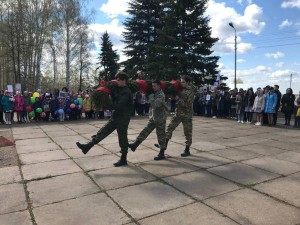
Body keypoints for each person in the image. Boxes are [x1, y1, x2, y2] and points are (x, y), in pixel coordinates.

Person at [76, 71, 133, 167]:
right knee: (103, 131)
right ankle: (88, 146)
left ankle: (124, 158)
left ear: (124, 80)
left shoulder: (126, 92)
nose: (116, 81)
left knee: (122, 137)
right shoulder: (118, 89)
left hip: (123, 118)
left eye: (118, 80)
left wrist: (106, 103)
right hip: (116, 116)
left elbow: (118, 106)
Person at [128, 80, 168, 160]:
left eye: (154, 86)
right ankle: (135, 145)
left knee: (161, 136)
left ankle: (162, 153)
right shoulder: (155, 93)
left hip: (160, 119)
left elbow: (155, 105)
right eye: (152, 86)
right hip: (153, 118)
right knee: (145, 131)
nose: (153, 87)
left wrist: (150, 97)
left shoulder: (161, 95)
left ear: (159, 86)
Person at [156, 75, 196, 157]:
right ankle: (162, 149)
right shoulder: (180, 89)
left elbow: (187, 104)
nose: (181, 83)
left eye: (183, 82)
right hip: (178, 114)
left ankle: (187, 149)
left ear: (187, 82)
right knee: (169, 129)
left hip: (186, 115)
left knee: (187, 132)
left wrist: (178, 99)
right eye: (181, 81)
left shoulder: (191, 91)